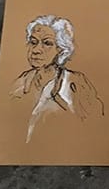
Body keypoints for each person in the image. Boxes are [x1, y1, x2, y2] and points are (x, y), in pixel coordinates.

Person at [10, 15, 103, 143]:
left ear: (61, 49)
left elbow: (97, 126)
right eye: (33, 42)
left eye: (47, 43)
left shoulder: (74, 83)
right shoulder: (21, 83)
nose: (36, 50)